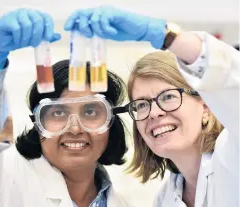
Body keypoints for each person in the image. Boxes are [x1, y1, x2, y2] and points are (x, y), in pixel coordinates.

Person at [64, 6, 239, 207]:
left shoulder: (233, 154)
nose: (154, 113)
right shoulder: (165, 198)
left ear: (206, 106)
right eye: (141, 104)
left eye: (168, 97)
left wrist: (167, 36)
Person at [0, 9, 132, 207]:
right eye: (58, 112)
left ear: (111, 121)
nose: (75, 129)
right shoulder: (4, 174)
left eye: (90, 112)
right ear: (38, 123)